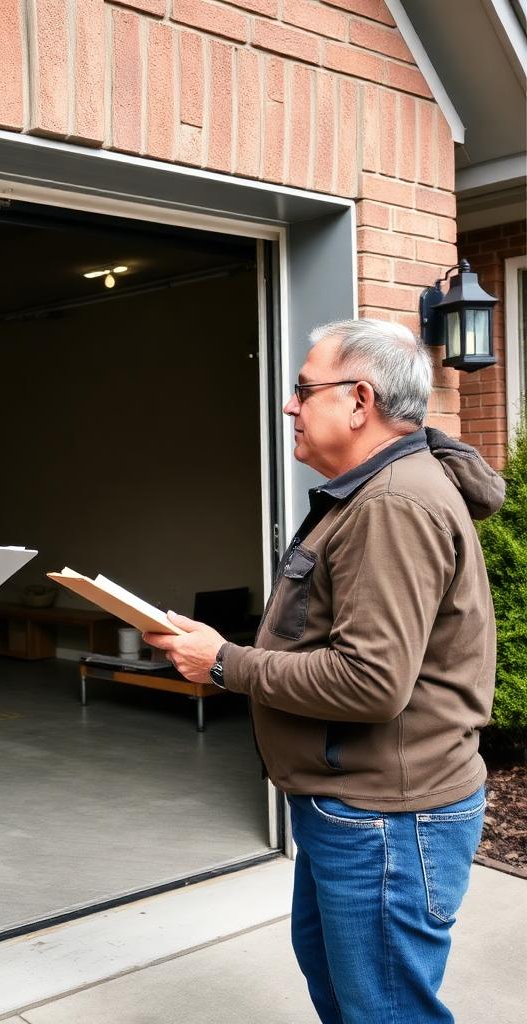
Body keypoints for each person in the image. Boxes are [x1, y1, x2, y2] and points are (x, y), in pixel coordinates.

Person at [144, 318, 504, 1024]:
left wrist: (222, 664)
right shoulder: (380, 492)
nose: (289, 406)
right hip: (359, 808)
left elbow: (371, 681)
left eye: (304, 389)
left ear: (360, 401)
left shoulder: (393, 505)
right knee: (349, 997)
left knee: (384, 1011)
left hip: (386, 819)